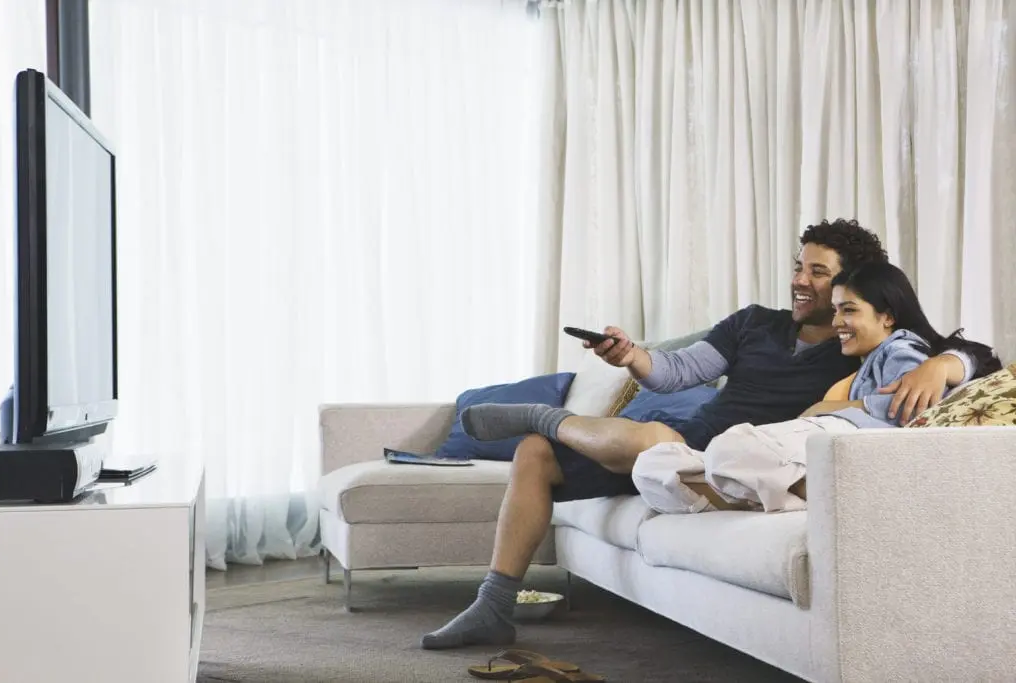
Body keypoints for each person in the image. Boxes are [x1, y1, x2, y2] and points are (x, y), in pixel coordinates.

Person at [419, 219, 983, 650]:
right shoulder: (753, 323)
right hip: (682, 437)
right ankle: (493, 604)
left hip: (728, 459)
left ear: (852, 288)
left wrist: (946, 363)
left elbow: (967, 353)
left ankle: (549, 416)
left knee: (651, 440)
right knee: (537, 452)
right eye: (799, 267)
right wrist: (631, 356)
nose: (800, 282)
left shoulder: (855, 340)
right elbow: (676, 372)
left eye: (818, 273)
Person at [631, 261, 1002, 515]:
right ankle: (766, 496)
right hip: (811, 440)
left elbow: (901, 412)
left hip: (839, 439)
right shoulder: (855, 359)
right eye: (837, 309)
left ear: (887, 315)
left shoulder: (901, 346)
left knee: (732, 449)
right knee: (653, 464)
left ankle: (788, 493)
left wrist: (824, 410)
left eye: (850, 310)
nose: (837, 321)